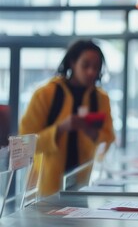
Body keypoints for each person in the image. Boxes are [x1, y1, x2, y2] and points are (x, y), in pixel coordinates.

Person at [19, 39, 115, 197]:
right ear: (72, 63)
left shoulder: (101, 98)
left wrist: (91, 132)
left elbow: (108, 139)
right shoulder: (45, 94)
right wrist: (60, 128)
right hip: (45, 190)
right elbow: (24, 144)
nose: (91, 72)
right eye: (86, 65)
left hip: (85, 186)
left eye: (96, 67)